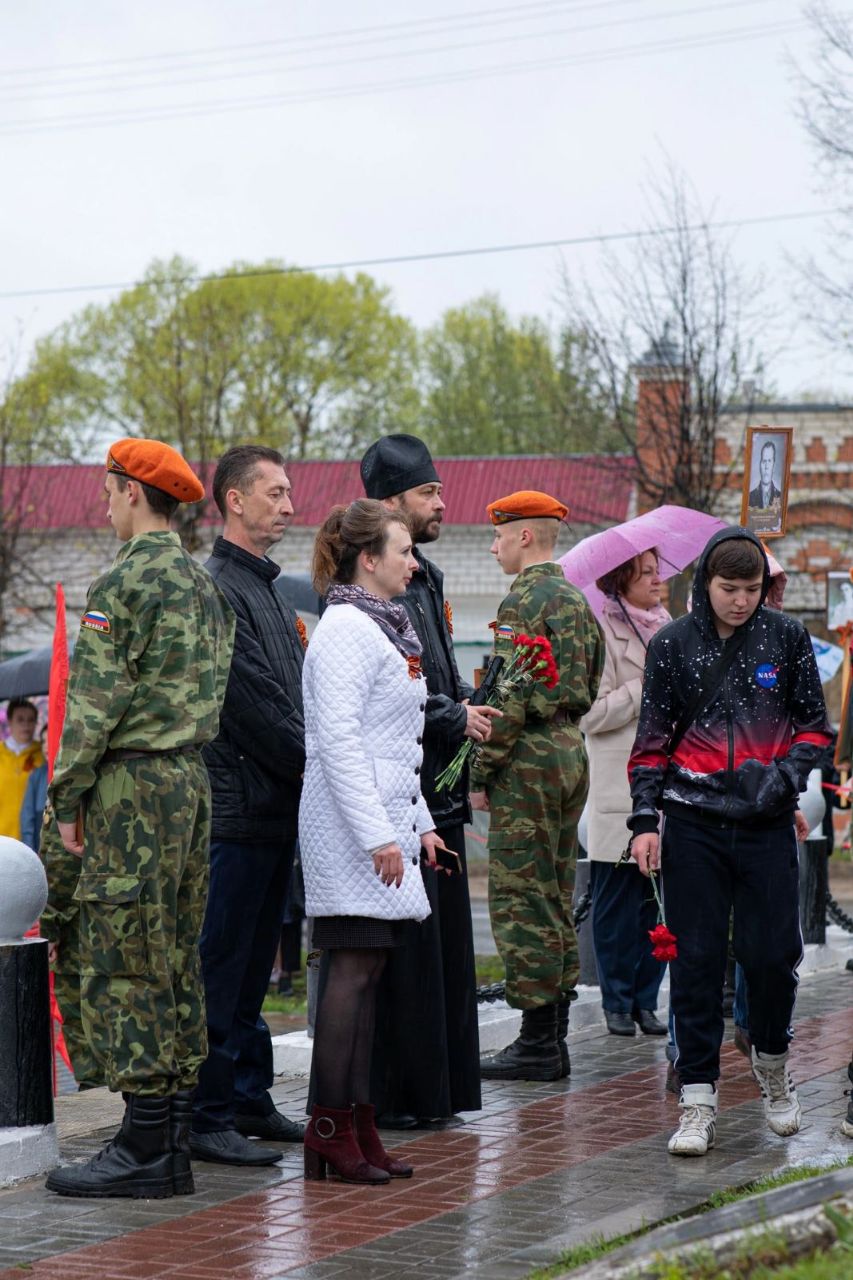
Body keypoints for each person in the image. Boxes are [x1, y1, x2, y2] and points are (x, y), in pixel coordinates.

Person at [44, 438, 235, 1198]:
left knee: (126, 955)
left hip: (130, 786)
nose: (105, 503)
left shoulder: (121, 583)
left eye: (108, 491)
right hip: (190, 781)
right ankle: (170, 1133)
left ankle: (147, 1146)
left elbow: (91, 709)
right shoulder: (202, 583)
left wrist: (66, 799)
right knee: (174, 953)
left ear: (130, 493)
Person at [628, 528, 832, 1158]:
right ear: (704, 585)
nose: (740, 601)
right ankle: (696, 1098)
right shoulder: (670, 645)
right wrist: (643, 821)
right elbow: (651, 744)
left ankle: (771, 1059)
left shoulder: (787, 638)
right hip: (692, 825)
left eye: (751, 590)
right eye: (728, 589)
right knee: (694, 964)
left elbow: (816, 730)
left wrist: (785, 779)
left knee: (772, 955)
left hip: (767, 823)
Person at [300, 500, 448, 1184]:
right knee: (350, 973)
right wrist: (377, 836)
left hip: (381, 823)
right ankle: (328, 1130)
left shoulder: (383, 627)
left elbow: (394, 745)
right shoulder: (345, 631)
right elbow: (339, 745)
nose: (412, 561)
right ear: (368, 559)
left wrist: (421, 826)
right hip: (347, 827)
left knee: (369, 974)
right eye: (402, 551)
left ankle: (357, 1125)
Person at [359, 433, 497, 1127]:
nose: (441, 504)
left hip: (436, 792)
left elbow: (431, 673)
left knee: (443, 960)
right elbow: (393, 691)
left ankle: (437, 1093)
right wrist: (452, 714)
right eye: (426, 494)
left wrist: (460, 703)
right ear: (389, 503)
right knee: (408, 960)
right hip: (400, 796)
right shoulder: (372, 591)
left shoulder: (427, 577)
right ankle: (404, 1098)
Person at [191, 445, 307, 1167]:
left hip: (273, 810)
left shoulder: (267, 586)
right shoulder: (220, 588)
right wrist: (322, 767)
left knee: (256, 966)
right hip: (236, 813)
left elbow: (291, 697)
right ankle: (207, 1113)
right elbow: (258, 708)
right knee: (223, 965)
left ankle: (248, 1096)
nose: (289, 505)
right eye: (274, 492)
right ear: (234, 501)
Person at [471, 490, 604, 1081]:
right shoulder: (576, 599)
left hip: (525, 760)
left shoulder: (524, 599)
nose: (493, 544)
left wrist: (479, 771)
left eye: (499, 534)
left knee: (521, 896)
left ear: (525, 536)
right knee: (553, 889)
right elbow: (592, 677)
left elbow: (507, 697)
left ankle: (535, 1041)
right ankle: (552, 1037)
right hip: (569, 749)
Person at [581, 550, 670, 1038]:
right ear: (621, 581)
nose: (658, 579)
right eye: (647, 573)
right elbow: (590, 714)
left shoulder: (671, 629)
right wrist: (644, 686)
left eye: (658, 570)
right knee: (617, 904)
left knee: (656, 902)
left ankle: (646, 1000)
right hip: (619, 788)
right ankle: (617, 1002)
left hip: (666, 788)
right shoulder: (603, 634)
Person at [0, 698, 44, 840]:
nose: (26, 725)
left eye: (31, 720)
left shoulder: (43, 755)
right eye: (20, 719)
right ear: (9, 722)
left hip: (33, 837)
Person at [20, 758, 48, 851]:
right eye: (44, 742)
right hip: (40, 848)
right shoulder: (37, 774)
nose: (46, 747)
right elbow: (27, 817)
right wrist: (29, 851)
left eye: (49, 743)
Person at [748, 440, 782, 510]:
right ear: (760, 465)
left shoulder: (781, 497)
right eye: (764, 461)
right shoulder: (749, 497)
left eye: (769, 461)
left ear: (774, 465)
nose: (766, 466)